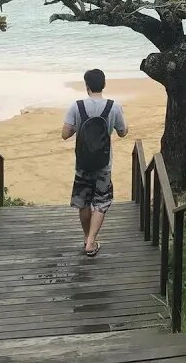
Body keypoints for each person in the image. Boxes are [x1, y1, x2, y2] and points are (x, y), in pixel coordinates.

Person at [61, 68, 127, 256]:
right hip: (104, 164)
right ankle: (92, 241)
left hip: (82, 163)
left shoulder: (77, 106)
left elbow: (65, 134)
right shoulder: (113, 107)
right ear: (104, 84)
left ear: (87, 85)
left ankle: (86, 238)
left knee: (83, 202)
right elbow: (123, 132)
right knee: (101, 202)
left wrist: (78, 128)